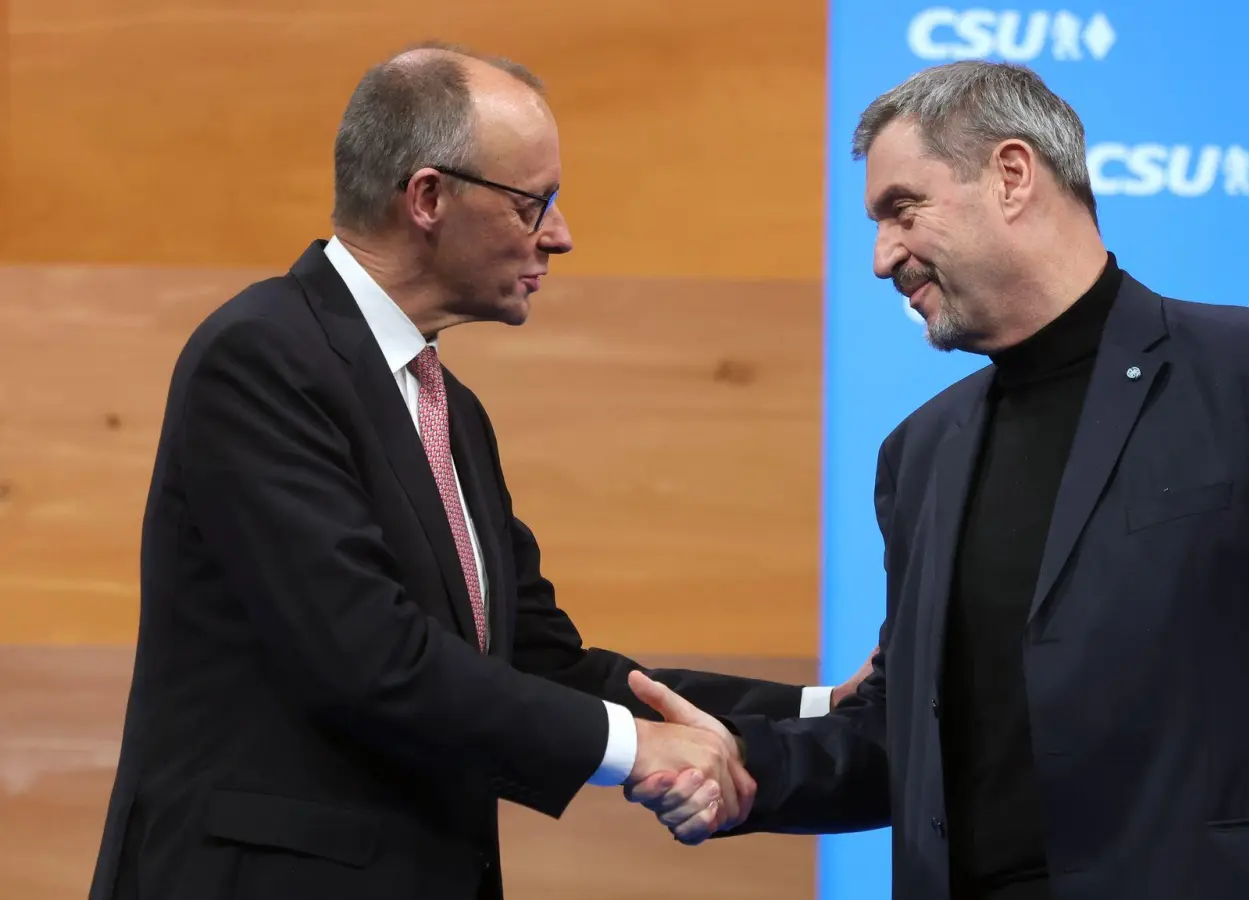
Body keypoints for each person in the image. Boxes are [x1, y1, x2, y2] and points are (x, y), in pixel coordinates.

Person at [626, 60, 1249, 900]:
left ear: (1011, 175)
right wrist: (748, 767)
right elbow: (906, 740)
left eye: (902, 210)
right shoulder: (917, 454)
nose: (882, 258)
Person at [86, 42, 870, 900]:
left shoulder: (449, 409)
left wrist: (815, 712)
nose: (559, 237)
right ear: (428, 197)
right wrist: (635, 749)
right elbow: (370, 658)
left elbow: (538, 664)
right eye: (535, 203)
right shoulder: (261, 356)